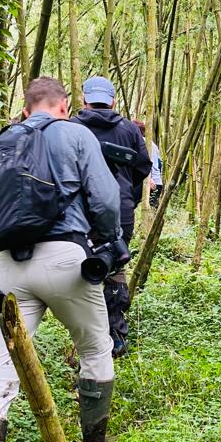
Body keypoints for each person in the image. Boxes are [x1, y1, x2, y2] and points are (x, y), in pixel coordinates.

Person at [0, 77, 122, 442]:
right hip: (66, 260)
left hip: (6, 266)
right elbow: (106, 200)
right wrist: (108, 242)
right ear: (64, 105)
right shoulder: (76, 134)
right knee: (95, 346)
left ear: (26, 106)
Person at [73, 76, 151, 356]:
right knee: (115, 269)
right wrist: (124, 192)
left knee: (80, 269)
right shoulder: (129, 129)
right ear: (113, 101)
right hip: (120, 211)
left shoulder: (70, 127)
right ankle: (115, 334)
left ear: (83, 99)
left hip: (80, 213)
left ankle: (87, 337)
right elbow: (143, 167)